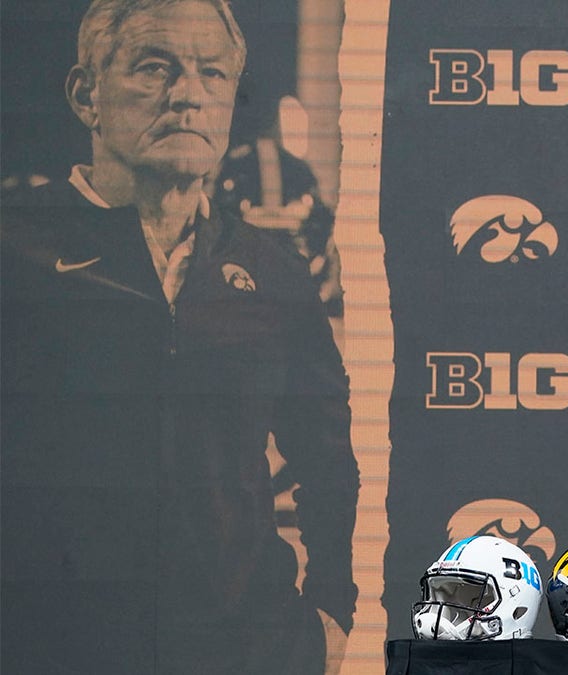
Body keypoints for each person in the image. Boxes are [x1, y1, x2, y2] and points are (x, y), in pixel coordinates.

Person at [0, 1, 358, 673]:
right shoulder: (15, 252)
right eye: (154, 68)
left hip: (249, 648)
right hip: (55, 646)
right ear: (87, 96)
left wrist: (334, 611)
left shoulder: (271, 268)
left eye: (212, 74)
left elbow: (332, 458)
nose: (188, 95)